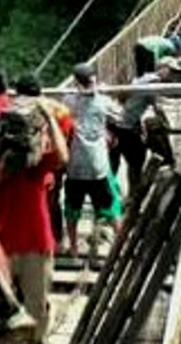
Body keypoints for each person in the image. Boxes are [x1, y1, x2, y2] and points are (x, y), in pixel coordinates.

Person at [0, 104, 69, 343]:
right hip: (0, 247)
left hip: (35, 244)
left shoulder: (31, 162)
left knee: (37, 307)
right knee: (0, 309)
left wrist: (50, 119)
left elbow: (62, 158)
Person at [62, 63, 123, 258]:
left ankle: (73, 248)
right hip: (98, 167)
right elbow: (121, 116)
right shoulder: (103, 101)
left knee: (72, 210)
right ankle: (121, 245)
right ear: (94, 79)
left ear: (76, 82)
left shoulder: (68, 100)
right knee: (112, 208)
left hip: (75, 168)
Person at [111, 56, 181, 200]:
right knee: (136, 161)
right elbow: (157, 106)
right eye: (172, 71)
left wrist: (141, 122)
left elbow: (135, 103)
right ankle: (133, 197)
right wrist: (166, 125)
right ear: (162, 68)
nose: (174, 75)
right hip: (125, 125)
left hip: (118, 122)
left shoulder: (143, 78)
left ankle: (121, 197)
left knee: (122, 161)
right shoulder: (153, 82)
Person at [14, 74, 73, 246]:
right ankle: (56, 239)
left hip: (28, 165)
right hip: (55, 162)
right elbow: (69, 137)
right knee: (52, 202)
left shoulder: (18, 112)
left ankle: (34, 239)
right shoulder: (61, 110)